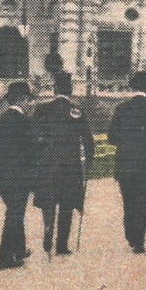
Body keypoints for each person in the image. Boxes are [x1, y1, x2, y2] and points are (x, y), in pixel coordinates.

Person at [33, 72, 94, 257]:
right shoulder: (76, 110)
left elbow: (33, 137)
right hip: (70, 166)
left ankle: (48, 227)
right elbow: (88, 140)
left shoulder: (42, 109)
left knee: (48, 201)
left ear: (54, 88)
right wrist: (88, 162)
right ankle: (61, 245)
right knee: (67, 205)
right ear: (70, 88)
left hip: (48, 164)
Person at [107, 71, 146, 254]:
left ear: (131, 87)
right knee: (143, 201)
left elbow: (111, 137)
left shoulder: (121, 108)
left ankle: (130, 234)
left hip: (125, 161)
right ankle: (139, 240)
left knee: (128, 201)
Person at [0, 81, 38, 269]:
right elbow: (31, 152)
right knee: (15, 215)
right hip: (20, 178)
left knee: (15, 212)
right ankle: (5, 257)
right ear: (23, 99)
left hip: (2, 177)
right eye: (29, 100)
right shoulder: (25, 123)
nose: (31, 104)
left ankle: (18, 249)